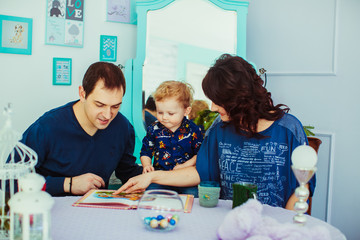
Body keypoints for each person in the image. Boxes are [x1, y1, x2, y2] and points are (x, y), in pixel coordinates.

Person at [114, 54, 315, 210]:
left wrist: (287, 228)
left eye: (218, 101)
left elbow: (302, 187)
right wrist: (151, 176)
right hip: (230, 225)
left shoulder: (289, 130)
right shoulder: (220, 127)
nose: (211, 107)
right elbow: (199, 172)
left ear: (239, 98)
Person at [19, 62, 143, 196]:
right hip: (47, 209)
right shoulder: (46, 127)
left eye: (115, 106)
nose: (108, 115)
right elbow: (10, 181)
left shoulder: (123, 127)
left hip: (95, 211)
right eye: (99, 105)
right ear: (82, 94)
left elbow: (127, 172)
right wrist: (67, 184)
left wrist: (158, 176)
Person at [140, 80, 204, 195]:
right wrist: (147, 165)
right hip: (160, 178)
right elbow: (146, 151)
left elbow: (199, 154)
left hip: (184, 179)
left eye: (170, 114)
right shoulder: (154, 129)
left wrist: (185, 165)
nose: (164, 117)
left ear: (186, 111)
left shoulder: (193, 130)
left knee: (193, 196)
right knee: (150, 194)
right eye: (160, 112)